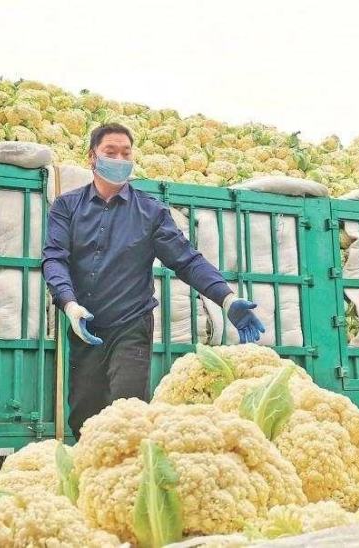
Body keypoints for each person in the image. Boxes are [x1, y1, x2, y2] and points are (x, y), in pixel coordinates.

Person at [42, 123, 265, 439]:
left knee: (129, 414)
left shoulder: (151, 211)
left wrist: (226, 298)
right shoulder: (67, 206)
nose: (119, 159)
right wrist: (69, 304)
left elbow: (186, 259)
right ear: (92, 158)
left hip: (131, 326)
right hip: (85, 325)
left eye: (125, 153)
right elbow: (54, 258)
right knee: (84, 418)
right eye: (110, 152)